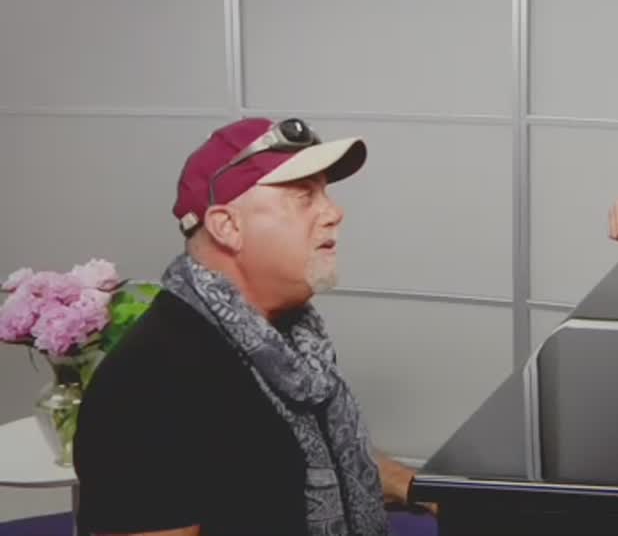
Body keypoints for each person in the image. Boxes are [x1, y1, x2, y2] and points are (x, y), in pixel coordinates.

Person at [74, 117, 429, 536]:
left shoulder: (292, 344)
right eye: (304, 196)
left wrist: (422, 489)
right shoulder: (149, 382)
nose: (335, 212)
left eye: (325, 194)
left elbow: (300, 461)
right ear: (228, 226)